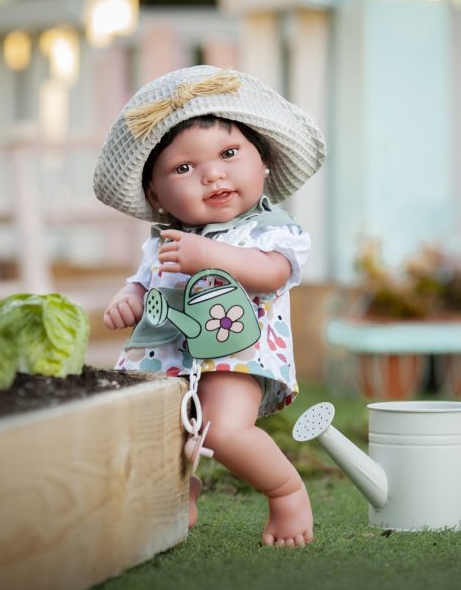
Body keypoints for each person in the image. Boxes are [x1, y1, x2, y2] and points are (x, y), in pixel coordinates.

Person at [93, 66, 326, 547]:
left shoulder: (269, 229)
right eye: (184, 168)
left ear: (263, 162)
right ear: (156, 195)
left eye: (228, 153)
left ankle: (286, 493)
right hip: (166, 358)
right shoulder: (164, 242)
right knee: (154, 432)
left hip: (234, 352)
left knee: (223, 430)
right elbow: (144, 283)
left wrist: (210, 255)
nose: (213, 173)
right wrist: (129, 299)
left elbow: (273, 273)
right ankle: (183, 493)